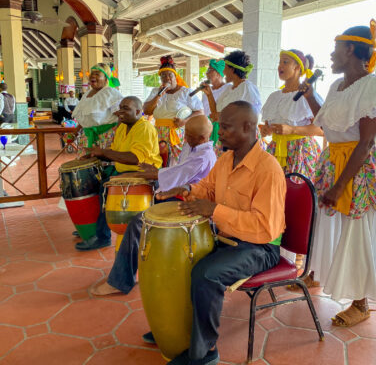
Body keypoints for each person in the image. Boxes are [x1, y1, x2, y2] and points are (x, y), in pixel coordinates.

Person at [158, 101, 286, 365]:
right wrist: (186, 190)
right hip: (228, 237)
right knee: (181, 260)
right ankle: (177, 330)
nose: (220, 133)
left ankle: (205, 352)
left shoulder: (267, 169)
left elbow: (264, 227)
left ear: (249, 127)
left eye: (226, 127)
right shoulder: (226, 159)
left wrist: (214, 210)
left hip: (260, 247)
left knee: (206, 274)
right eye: (220, 127)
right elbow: (207, 189)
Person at [301, 21, 376, 327]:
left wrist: (338, 186)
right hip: (335, 160)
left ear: (350, 50)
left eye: (335, 49)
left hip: (361, 167)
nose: (331, 56)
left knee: (358, 230)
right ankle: (318, 274)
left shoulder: (374, 86)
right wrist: (310, 97)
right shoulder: (336, 86)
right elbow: (331, 124)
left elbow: (367, 141)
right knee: (329, 223)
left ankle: (360, 303)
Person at [89, 115, 216, 296]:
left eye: (190, 135)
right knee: (143, 212)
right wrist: (157, 174)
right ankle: (133, 268)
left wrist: (156, 174)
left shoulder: (204, 156)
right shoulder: (193, 145)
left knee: (138, 224)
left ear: (203, 138)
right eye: (186, 133)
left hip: (190, 204)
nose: (185, 138)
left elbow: (180, 174)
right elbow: (176, 170)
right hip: (177, 194)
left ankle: (120, 281)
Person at [75, 96, 162, 251]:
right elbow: (115, 152)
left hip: (142, 172)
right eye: (120, 107)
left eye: (125, 108)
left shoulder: (144, 128)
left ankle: (102, 237)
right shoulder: (123, 126)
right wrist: (96, 154)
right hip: (124, 168)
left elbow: (135, 158)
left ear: (138, 111)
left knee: (105, 187)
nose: (120, 112)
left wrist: (104, 152)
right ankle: (95, 228)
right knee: (97, 182)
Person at [260, 49, 323, 180]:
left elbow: (321, 129)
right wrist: (267, 130)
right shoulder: (274, 96)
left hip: (300, 152)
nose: (280, 66)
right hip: (275, 150)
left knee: (297, 192)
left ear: (297, 67)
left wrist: (292, 129)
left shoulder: (308, 95)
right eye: (279, 62)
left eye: (285, 62)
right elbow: (269, 127)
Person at [143, 56, 204, 164]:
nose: (167, 78)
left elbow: (200, 112)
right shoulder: (155, 91)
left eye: (169, 75)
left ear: (175, 76)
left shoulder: (185, 92)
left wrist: (185, 121)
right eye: (163, 75)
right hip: (158, 133)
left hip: (178, 132)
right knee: (160, 161)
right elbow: (147, 111)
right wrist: (158, 96)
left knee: (177, 162)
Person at [205, 50, 262, 155]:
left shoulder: (247, 88)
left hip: (242, 138)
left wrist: (224, 116)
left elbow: (252, 117)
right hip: (228, 136)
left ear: (232, 69)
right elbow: (215, 113)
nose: (224, 72)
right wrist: (209, 94)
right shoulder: (229, 89)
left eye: (225, 68)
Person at [72, 63, 123, 153]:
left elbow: (122, 116)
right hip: (87, 137)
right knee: (84, 165)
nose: (93, 76)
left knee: (103, 166)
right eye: (92, 74)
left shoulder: (110, 93)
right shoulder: (86, 94)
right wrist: (75, 132)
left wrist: (117, 136)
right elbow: (86, 118)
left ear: (106, 78)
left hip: (105, 138)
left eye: (97, 74)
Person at [200, 59, 231, 145]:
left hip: (219, 126)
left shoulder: (228, 88)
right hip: (206, 126)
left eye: (210, 70)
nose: (207, 73)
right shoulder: (207, 90)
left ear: (218, 73)